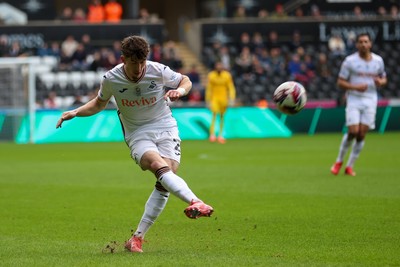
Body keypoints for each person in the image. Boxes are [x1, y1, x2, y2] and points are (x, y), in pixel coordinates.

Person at [55, 35, 213, 253]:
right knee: (158, 166)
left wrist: (180, 91)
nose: (138, 68)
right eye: (133, 62)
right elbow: (99, 103)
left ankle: (136, 239)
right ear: (123, 59)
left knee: (166, 179)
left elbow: (185, 80)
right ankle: (195, 200)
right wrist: (75, 111)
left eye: (142, 62)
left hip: (166, 126)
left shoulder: (157, 70)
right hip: (138, 133)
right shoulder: (111, 78)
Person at [330, 33, 387, 176]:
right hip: (354, 99)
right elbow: (340, 81)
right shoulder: (349, 61)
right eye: (360, 42)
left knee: (361, 134)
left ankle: (350, 166)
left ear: (370, 44)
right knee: (353, 131)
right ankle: (339, 161)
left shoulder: (378, 61)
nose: (363, 44)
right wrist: (355, 87)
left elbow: (383, 78)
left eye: (365, 41)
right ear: (356, 45)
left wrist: (381, 82)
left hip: (370, 99)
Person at [205, 61, 236, 144]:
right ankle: (212, 135)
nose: (219, 67)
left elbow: (231, 87)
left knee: (222, 117)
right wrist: (208, 100)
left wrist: (232, 98)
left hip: (224, 98)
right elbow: (209, 88)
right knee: (214, 115)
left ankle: (220, 135)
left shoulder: (227, 75)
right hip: (214, 98)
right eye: (217, 66)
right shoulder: (211, 75)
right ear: (215, 67)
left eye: (220, 66)